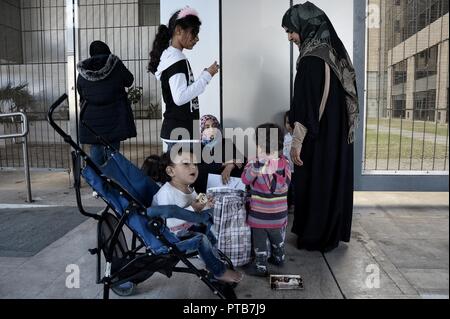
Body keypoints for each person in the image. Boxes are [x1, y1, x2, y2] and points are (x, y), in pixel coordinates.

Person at [282, 2, 359, 252]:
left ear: (306, 26)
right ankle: (328, 233)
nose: (291, 37)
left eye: (291, 30)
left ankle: (315, 235)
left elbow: (308, 105)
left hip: (319, 138)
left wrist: (297, 143)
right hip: (334, 136)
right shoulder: (331, 53)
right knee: (329, 181)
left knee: (315, 181)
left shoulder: (311, 59)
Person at [151, 148, 244, 283]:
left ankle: (211, 259)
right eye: (186, 164)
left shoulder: (188, 187)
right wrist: (193, 208)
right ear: (171, 171)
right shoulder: (167, 192)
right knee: (201, 239)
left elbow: (195, 204)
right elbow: (168, 222)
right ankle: (219, 271)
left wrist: (205, 204)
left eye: (194, 163)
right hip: (171, 235)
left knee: (210, 226)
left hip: (186, 227)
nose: (193, 167)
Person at [148, 7, 219, 149]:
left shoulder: (171, 57)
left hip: (178, 130)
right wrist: (206, 76)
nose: (197, 38)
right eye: (194, 32)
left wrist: (203, 77)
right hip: (180, 132)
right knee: (186, 170)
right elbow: (180, 97)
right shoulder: (176, 59)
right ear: (179, 30)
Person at [241, 124, 291, 277]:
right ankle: (279, 258)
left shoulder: (254, 164)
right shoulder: (285, 163)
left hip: (259, 215)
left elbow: (245, 180)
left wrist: (257, 167)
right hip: (279, 214)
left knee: (260, 242)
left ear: (258, 145)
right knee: (277, 238)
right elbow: (286, 185)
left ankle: (260, 266)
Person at [77, 40, 136, 166]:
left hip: (92, 119)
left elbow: (81, 91)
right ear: (107, 51)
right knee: (113, 152)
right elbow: (129, 80)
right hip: (115, 117)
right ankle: (113, 181)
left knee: (96, 150)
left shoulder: (83, 71)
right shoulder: (116, 65)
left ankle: (98, 183)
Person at [192, 114, 245, 194]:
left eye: (214, 126)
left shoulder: (226, 142)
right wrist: (223, 164)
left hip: (228, 188)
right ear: (202, 130)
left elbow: (242, 159)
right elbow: (197, 169)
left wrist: (230, 166)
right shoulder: (197, 146)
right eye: (207, 127)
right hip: (205, 189)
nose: (212, 129)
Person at [283, 111, 295, 213]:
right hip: (287, 169)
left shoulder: (298, 138)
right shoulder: (285, 138)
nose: (289, 125)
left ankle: (294, 204)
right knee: (288, 188)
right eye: (287, 122)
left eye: (292, 123)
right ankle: (289, 204)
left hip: (296, 169)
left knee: (296, 188)